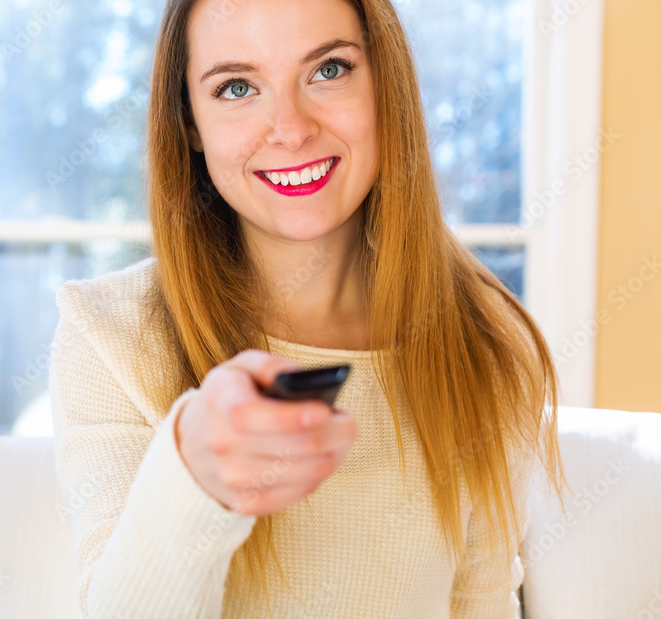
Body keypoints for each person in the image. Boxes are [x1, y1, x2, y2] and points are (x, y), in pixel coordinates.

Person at [48, 0, 570, 617]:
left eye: (329, 70)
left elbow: (481, 605)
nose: (290, 129)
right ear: (189, 121)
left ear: (386, 85)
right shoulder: (109, 338)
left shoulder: (485, 343)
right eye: (237, 87)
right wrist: (192, 480)